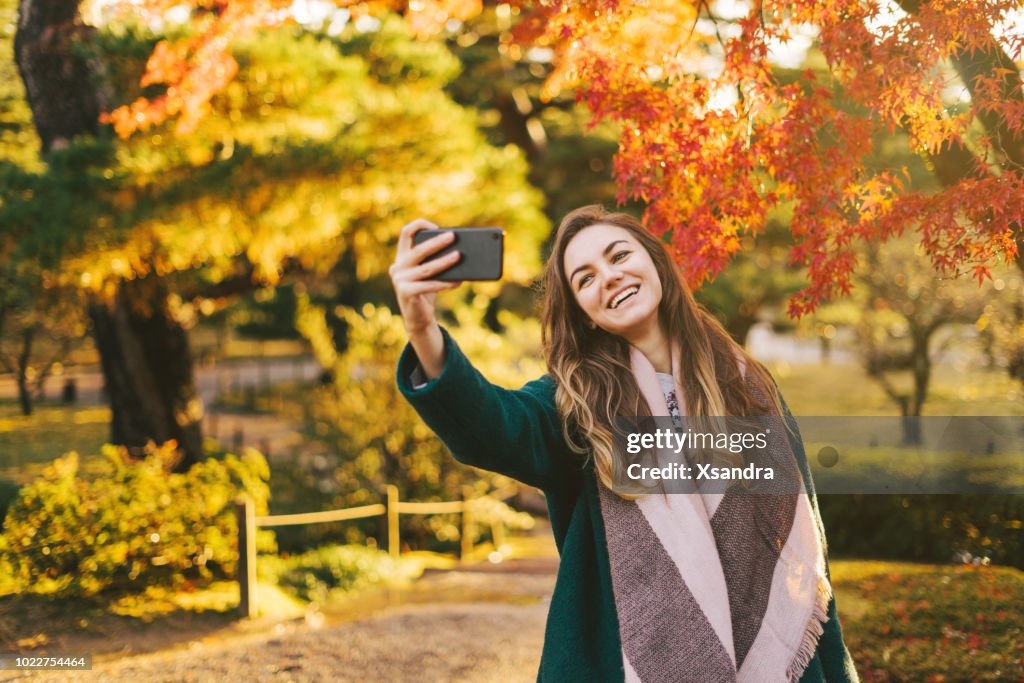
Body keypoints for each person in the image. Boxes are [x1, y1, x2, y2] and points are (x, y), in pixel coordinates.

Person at [390, 205, 858, 682]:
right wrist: (423, 329)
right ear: (583, 314)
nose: (609, 277)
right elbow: (493, 427)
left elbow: (805, 555)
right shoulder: (574, 405)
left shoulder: (749, 388)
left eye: (619, 255)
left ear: (655, 262)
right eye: (585, 278)